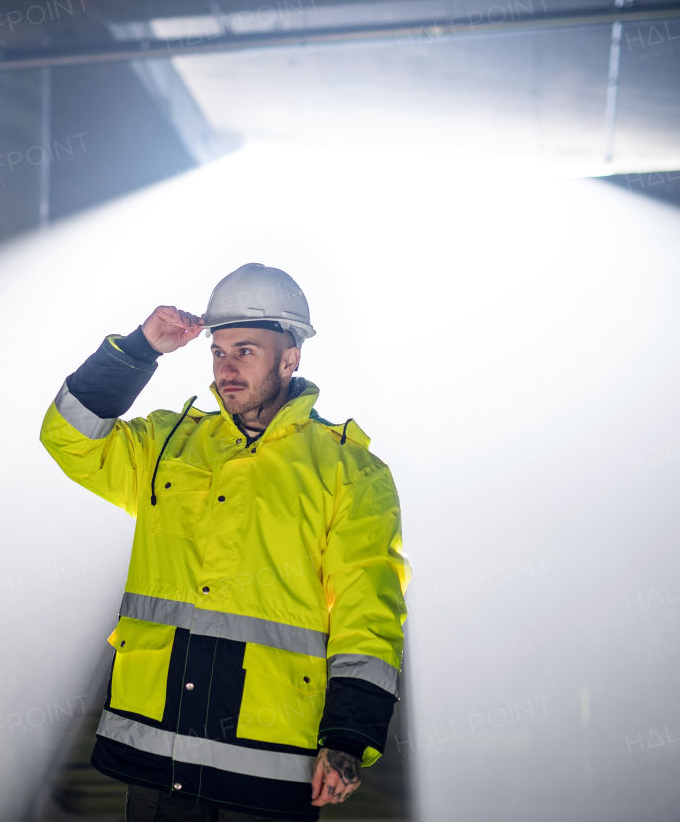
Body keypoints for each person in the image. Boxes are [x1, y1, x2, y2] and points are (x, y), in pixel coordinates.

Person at [40, 264, 410, 821]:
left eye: (245, 351)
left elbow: (368, 610)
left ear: (291, 359)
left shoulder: (349, 470)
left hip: (268, 761)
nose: (226, 368)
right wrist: (139, 350)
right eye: (218, 352)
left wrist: (348, 737)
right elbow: (69, 434)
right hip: (155, 749)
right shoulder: (169, 442)